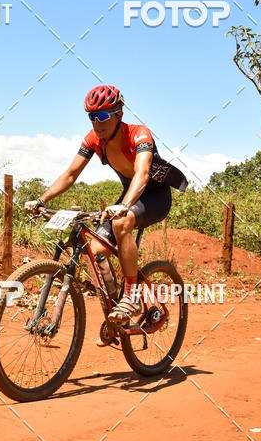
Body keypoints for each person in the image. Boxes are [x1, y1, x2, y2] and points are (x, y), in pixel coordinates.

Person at [25, 85, 186, 327]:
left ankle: (131, 297)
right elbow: (71, 174)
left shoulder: (139, 134)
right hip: (129, 196)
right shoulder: (93, 140)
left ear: (119, 114)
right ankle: (116, 311)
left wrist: (125, 205)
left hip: (154, 196)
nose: (96, 122)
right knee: (97, 249)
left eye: (102, 116)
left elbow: (142, 173)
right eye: (91, 116)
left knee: (121, 222)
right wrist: (42, 200)